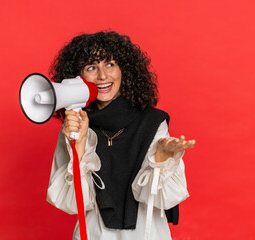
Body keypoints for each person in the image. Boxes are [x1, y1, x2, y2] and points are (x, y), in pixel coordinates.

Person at [46, 31, 195, 240]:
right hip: (94, 235)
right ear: (78, 77)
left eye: (110, 64)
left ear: (124, 69)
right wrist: (77, 147)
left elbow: (162, 199)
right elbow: (72, 203)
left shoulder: (153, 122)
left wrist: (161, 157)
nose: (102, 76)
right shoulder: (75, 126)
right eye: (91, 67)